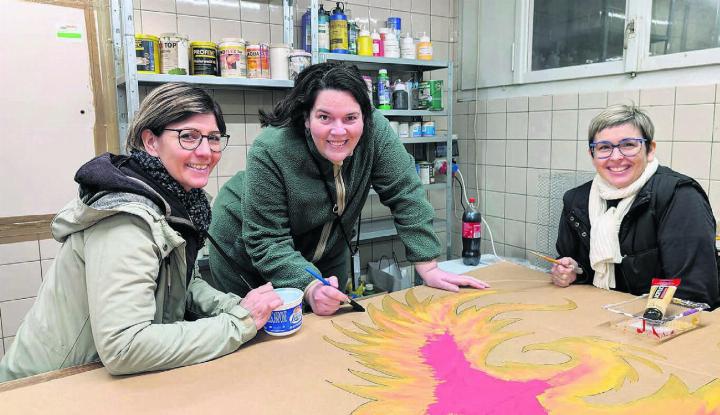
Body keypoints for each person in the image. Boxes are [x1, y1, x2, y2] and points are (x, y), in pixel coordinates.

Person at [0, 83, 283, 382]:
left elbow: (185, 286)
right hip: (47, 387)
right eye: (188, 137)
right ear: (150, 141)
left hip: (97, 380)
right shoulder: (127, 218)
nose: (205, 152)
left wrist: (237, 306)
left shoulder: (177, 202)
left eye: (213, 138)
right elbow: (125, 346)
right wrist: (239, 323)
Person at [208, 62, 489, 316]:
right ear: (306, 117)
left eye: (350, 118)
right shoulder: (271, 148)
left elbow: (406, 193)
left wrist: (428, 266)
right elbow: (267, 240)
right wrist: (308, 286)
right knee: (263, 336)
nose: (339, 131)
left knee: (331, 320)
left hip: (329, 240)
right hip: (246, 245)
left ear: (365, 117)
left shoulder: (375, 131)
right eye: (325, 118)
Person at [552, 104, 719, 309]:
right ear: (593, 155)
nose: (616, 157)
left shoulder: (679, 195)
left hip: (656, 324)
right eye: (604, 147)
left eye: (629, 145)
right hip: (595, 312)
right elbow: (572, 260)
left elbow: (693, 293)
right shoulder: (576, 200)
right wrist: (572, 271)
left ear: (650, 150)